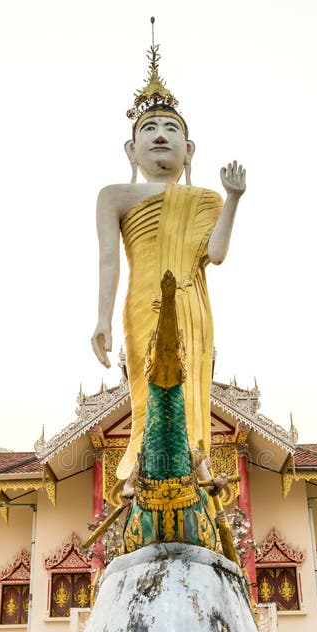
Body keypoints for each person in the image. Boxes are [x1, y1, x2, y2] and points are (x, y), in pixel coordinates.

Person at [91, 39, 246, 481]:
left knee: (190, 386)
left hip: (192, 305)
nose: (160, 135)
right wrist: (101, 318)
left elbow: (214, 254)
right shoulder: (114, 197)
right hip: (143, 305)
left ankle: (194, 463)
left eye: (171, 128)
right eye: (150, 127)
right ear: (131, 149)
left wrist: (233, 199)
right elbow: (108, 261)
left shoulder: (205, 198)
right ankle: (147, 472)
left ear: (189, 150)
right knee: (149, 391)